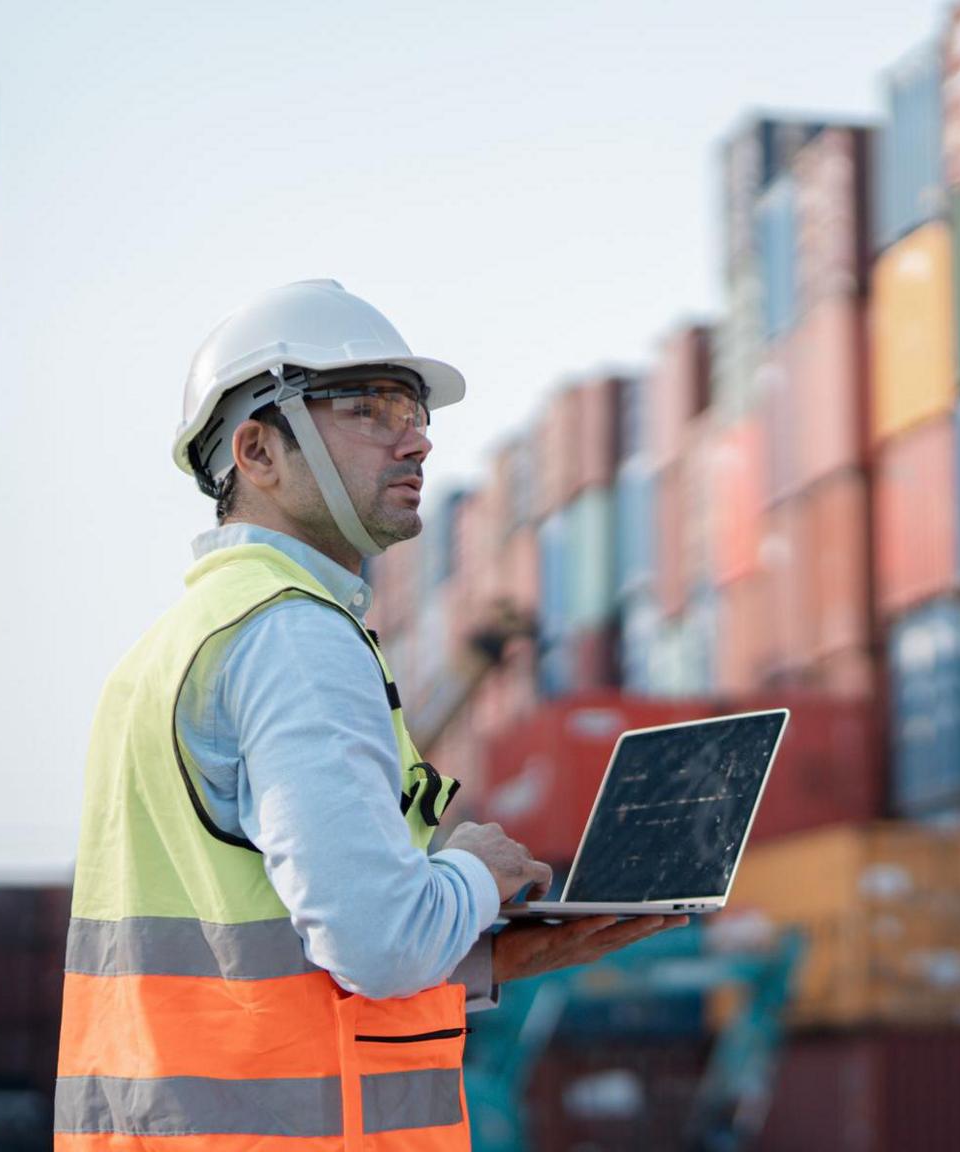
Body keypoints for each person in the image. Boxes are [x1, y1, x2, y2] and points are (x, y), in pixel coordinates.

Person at [55, 280, 684, 1151]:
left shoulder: (171, 649)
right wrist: (470, 873)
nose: (418, 438)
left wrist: (489, 957)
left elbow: (255, 966)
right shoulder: (294, 636)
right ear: (259, 450)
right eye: (372, 409)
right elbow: (377, 942)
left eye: (415, 410)